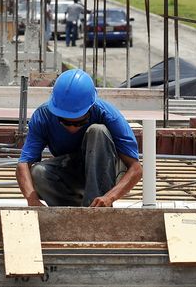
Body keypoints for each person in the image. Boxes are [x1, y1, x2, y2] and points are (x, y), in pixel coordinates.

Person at [16, 69, 142, 207]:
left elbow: (136, 168)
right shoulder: (43, 116)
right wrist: (32, 200)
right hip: (72, 172)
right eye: (65, 122)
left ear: (90, 109)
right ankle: (70, 212)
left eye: (79, 123)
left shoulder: (107, 115)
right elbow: (23, 164)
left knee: (98, 131)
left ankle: (96, 208)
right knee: (38, 172)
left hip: (108, 172)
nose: (72, 128)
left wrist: (110, 197)